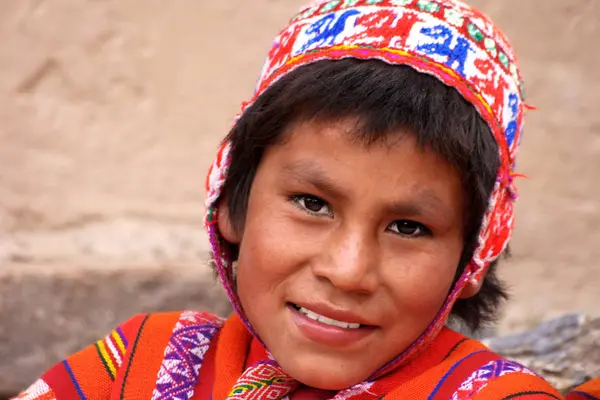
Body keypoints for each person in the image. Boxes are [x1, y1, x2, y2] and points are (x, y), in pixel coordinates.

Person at [13, 0, 600, 399]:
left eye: (408, 227)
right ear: (231, 202)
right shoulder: (142, 366)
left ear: (473, 255)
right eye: (312, 204)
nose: (348, 271)